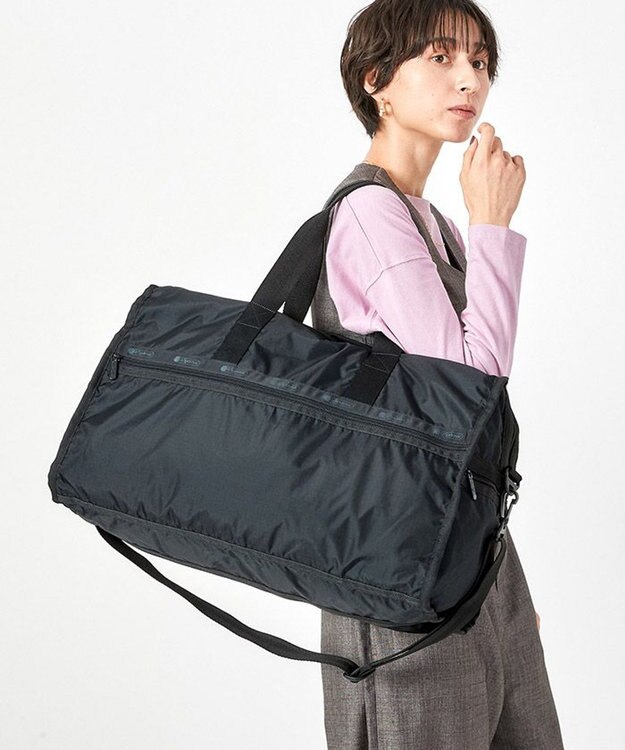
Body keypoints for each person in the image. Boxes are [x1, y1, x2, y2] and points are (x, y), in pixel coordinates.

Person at [312, 1, 565, 747]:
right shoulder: (371, 215)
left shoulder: (428, 222)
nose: (469, 79)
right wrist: (492, 225)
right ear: (376, 81)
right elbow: (468, 388)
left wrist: (500, 595)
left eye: (480, 62)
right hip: (400, 563)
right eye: (441, 56)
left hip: (466, 551)